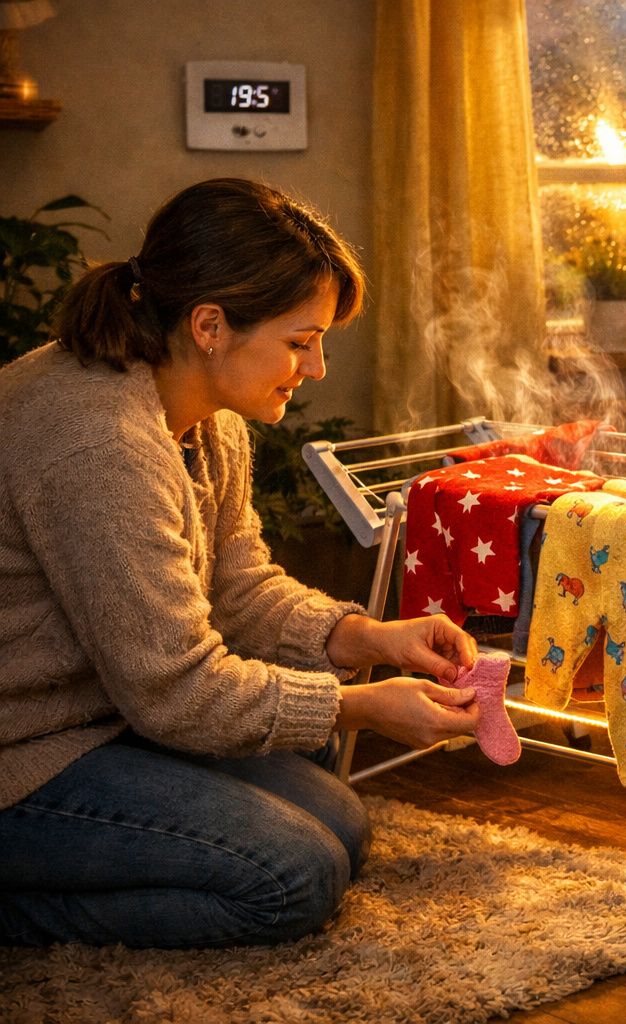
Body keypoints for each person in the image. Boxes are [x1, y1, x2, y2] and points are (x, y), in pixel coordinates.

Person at [0, 178, 483, 949]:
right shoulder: (102, 447)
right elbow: (176, 691)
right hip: (24, 752)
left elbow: (239, 586)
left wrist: (370, 638)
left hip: (108, 717)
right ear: (210, 325)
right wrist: (360, 705)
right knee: (294, 877)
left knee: (340, 824)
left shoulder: (203, 412)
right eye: (300, 342)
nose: (316, 367)